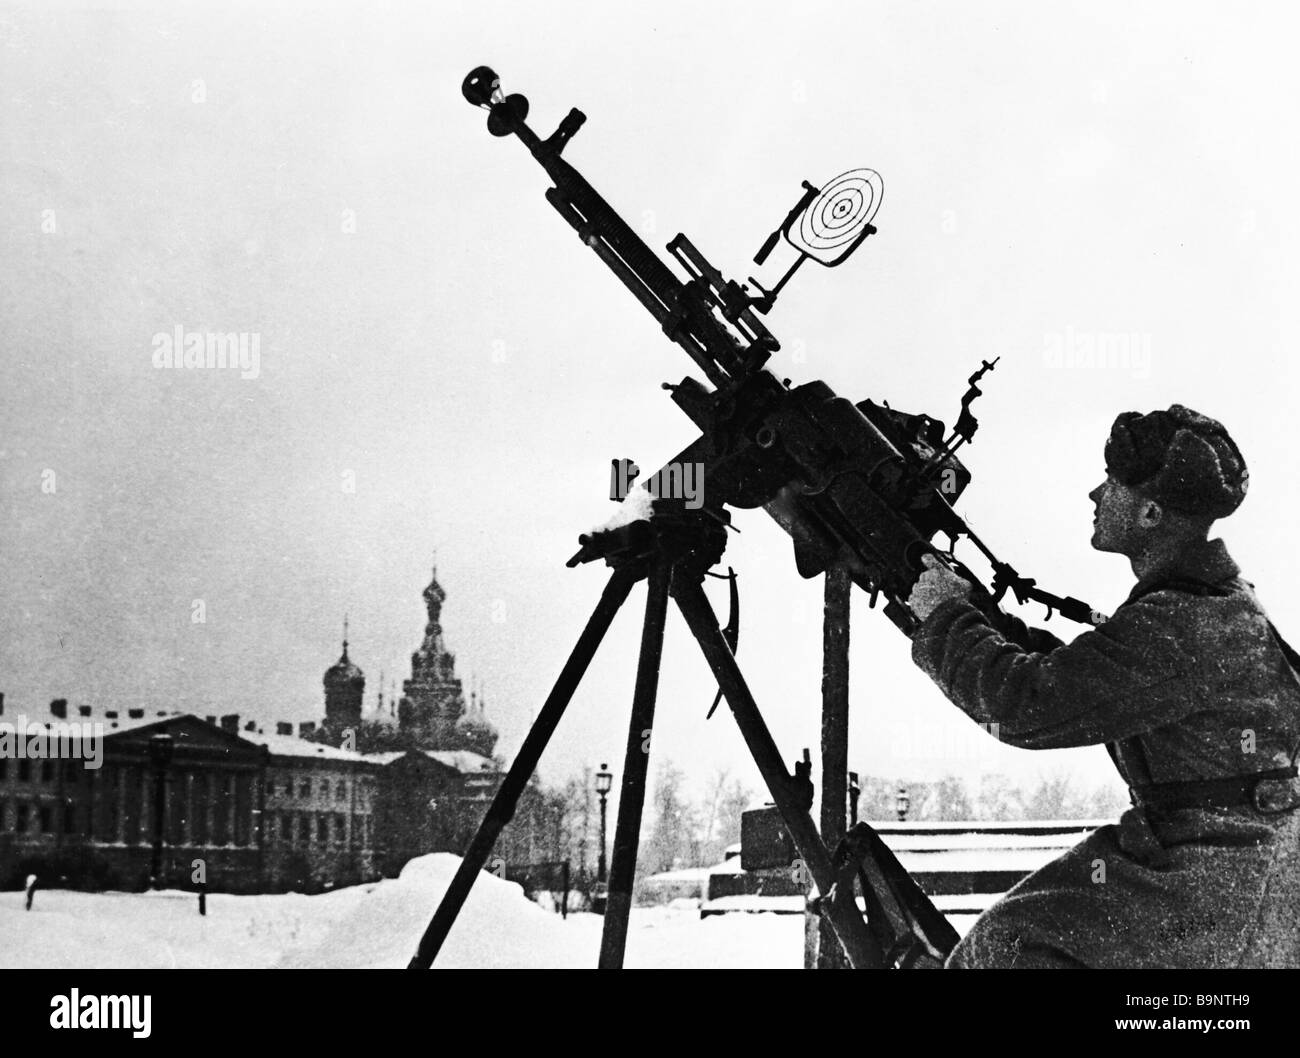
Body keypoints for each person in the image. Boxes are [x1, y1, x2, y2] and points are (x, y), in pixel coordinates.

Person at [906, 404, 1300, 968]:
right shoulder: (1206, 603)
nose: (1096, 494)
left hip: (1218, 874)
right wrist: (974, 616)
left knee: (1005, 948)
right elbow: (1085, 676)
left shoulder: (1184, 622)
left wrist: (946, 618)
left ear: (1149, 513)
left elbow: (1025, 705)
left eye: (1112, 483)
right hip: (1232, 857)